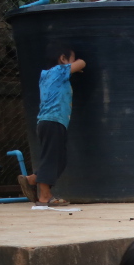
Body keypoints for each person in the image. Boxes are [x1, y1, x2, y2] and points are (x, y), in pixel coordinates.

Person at [16, 44, 85, 207]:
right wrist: (76, 65)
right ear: (63, 59)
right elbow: (82, 63)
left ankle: (32, 179)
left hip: (51, 122)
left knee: (59, 159)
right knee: (52, 158)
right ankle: (44, 196)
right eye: (71, 59)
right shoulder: (58, 71)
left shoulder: (46, 76)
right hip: (53, 121)